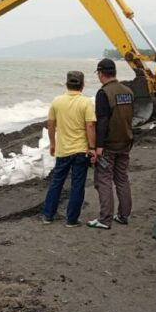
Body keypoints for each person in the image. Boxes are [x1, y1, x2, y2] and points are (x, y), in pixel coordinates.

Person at [42, 71, 97, 227]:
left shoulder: (57, 101)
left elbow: (50, 124)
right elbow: (90, 126)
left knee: (56, 182)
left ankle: (48, 216)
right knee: (77, 185)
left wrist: (53, 143)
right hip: (80, 150)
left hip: (63, 149)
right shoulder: (86, 102)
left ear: (66, 84)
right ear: (82, 85)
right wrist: (92, 147)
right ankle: (71, 220)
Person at [88, 59, 135, 230]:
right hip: (125, 142)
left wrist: (97, 146)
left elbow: (102, 121)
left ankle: (105, 219)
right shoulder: (128, 91)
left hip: (108, 145)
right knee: (122, 179)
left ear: (101, 73)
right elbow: (131, 116)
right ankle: (123, 215)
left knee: (104, 180)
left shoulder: (103, 93)